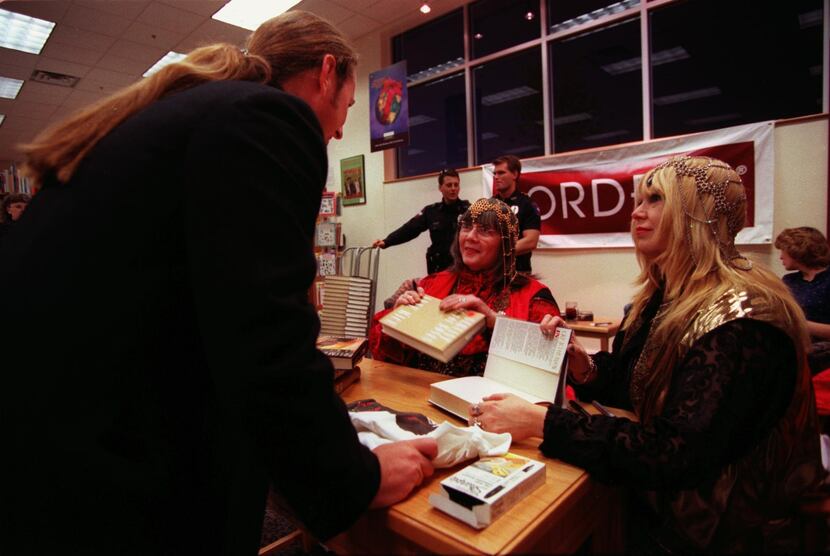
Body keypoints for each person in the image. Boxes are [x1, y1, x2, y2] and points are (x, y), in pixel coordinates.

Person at [0, 11, 436, 556]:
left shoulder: (193, 117)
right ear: (327, 72)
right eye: (348, 106)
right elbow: (264, 340)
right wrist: (357, 477)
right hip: (100, 476)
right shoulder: (269, 119)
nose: (343, 129)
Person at [471, 156, 824, 552]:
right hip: (674, 510)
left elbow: (674, 453)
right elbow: (636, 383)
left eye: (655, 199)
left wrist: (542, 421)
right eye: (639, 199)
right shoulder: (664, 293)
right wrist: (583, 365)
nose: (636, 211)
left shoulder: (743, 315)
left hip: (733, 532)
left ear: (698, 213)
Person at [370, 197, 560, 377]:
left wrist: (493, 321)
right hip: (421, 400)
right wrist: (398, 319)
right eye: (466, 227)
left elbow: (551, 363)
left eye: (485, 230)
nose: (470, 237)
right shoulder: (431, 284)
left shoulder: (534, 296)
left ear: (506, 243)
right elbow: (383, 357)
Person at [372, 168, 470, 274]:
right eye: (449, 185)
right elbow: (410, 229)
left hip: (461, 268)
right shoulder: (431, 211)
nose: (453, 188)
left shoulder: (468, 210)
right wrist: (387, 241)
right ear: (440, 187)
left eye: (456, 185)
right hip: (438, 269)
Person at [775, 226, 830, 374]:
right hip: (794, 342)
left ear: (797, 251)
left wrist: (800, 324)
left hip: (822, 351)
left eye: (783, 251)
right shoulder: (789, 280)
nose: (780, 257)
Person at [491, 155, 540, 273]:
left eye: (501, 173)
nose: (496, 177)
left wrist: (497, 252)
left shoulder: (527, 204)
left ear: (515, 174)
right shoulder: (489, 204)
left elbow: (531, 241)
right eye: (495, 173)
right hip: (493, 272)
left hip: (519, 273)